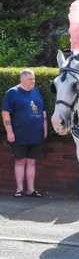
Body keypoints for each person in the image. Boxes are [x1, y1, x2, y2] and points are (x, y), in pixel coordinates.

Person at [2, 69, 47, 198]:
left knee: (32, 162)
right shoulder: (12, 93)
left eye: (33, 79)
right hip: (19, 134)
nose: (33, 81)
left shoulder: (36, 91)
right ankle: (19, 189)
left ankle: (31, 189)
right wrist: (10, 132)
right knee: (20, 161)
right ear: (22, 80)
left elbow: (43, 110)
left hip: (36, 134)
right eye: (30, 79)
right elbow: (5, 113)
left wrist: (44, 127)